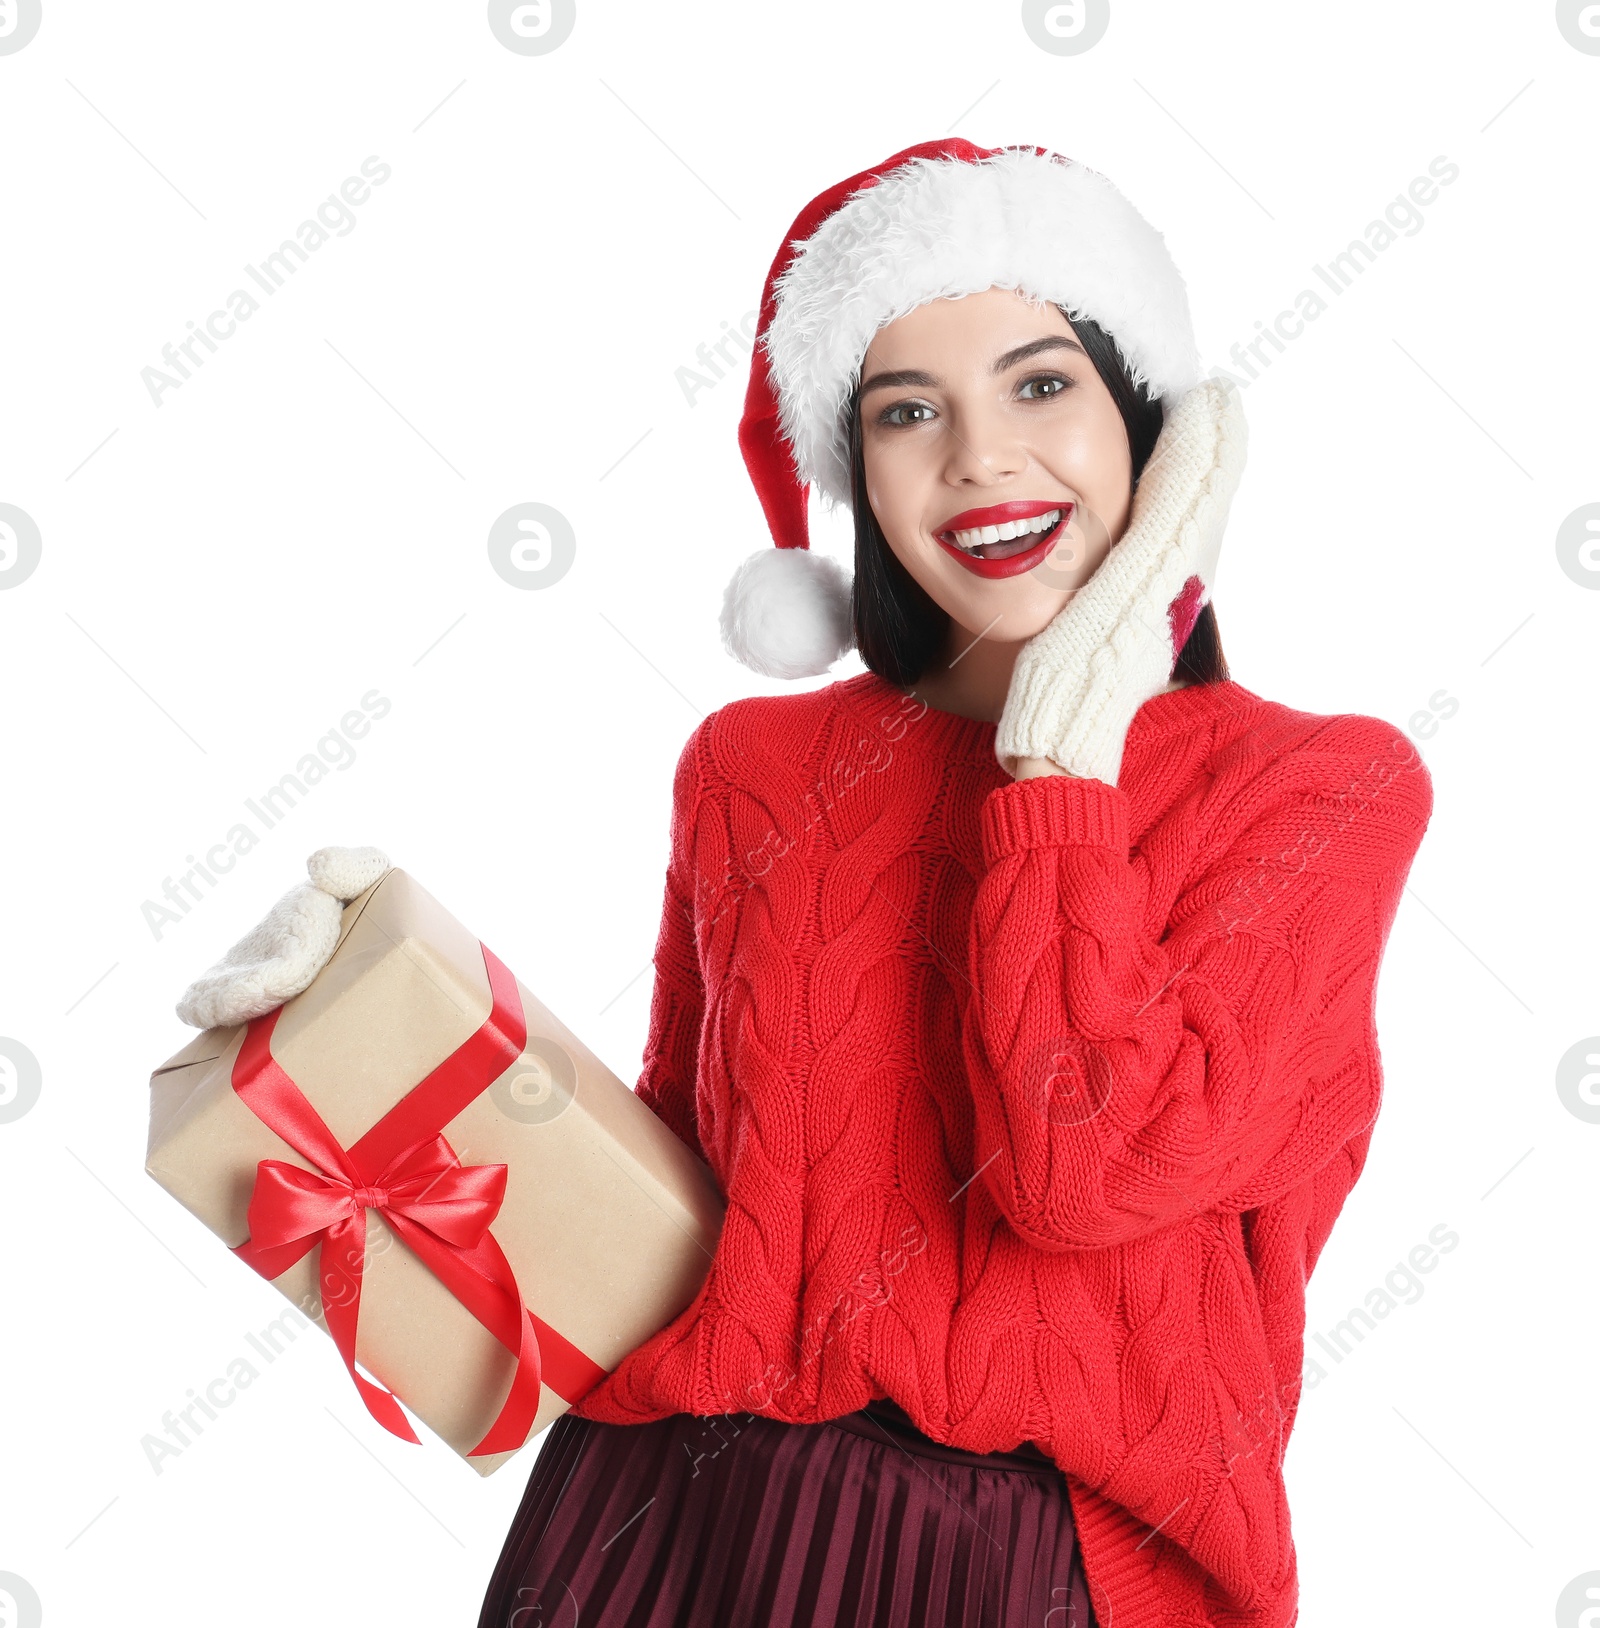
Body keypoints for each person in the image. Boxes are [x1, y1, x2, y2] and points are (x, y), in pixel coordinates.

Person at [183, 139, 1435, 1627]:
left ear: (1153, 433)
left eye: (1043, 385)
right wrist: (371, 1016)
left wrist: (1062, 765)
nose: (979, 458)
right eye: (909, 412)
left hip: (1041, 1563)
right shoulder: (754, 768)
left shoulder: (1320, 791)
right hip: (670, 1520)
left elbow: (1084, 1170)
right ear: (859, 476)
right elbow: (685, 1195)